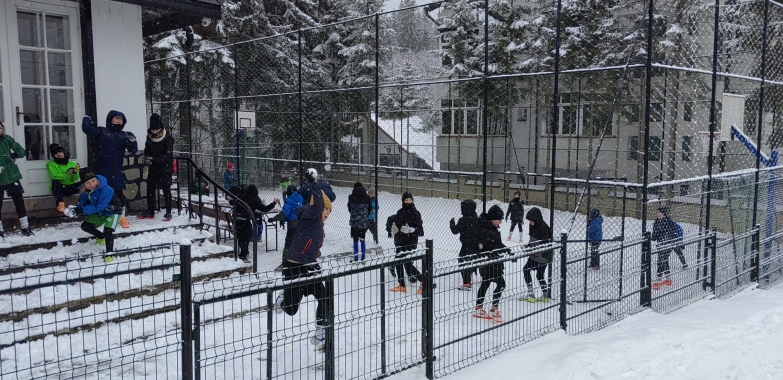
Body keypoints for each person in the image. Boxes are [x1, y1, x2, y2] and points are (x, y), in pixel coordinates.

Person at [273, 184, 332, 349]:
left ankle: (321, 331)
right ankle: (283, 298)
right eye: (325, 209)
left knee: (324, 296)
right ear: (318, 208)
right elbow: (317, 204)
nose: (327, 212)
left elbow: (311, 248)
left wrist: (315, 261)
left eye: (329, 210)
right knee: (291, 310)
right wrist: (315, 184)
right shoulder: (310, 216)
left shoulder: (318, 226)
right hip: (294, 268)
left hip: (308, 268)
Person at [82, 111, 138, 229]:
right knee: (98, 193)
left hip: (116, 171)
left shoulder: (124, 135)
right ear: (110, 119)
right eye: (117, 118)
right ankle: (97, 215)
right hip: (101, 170)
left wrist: (133, 141)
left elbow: (133, 150)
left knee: (118, 194)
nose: (119, 121)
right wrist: (86, 119)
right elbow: (87, 129)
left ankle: (121, 216)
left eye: (121, 119)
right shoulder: (101, 131)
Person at [64, 172, 123, 261]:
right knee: (85, 226)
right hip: (99, 212)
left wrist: (82, 210)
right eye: (87, 183)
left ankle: (109, 254)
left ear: (96, 179)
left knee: (108, 231)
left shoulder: (106, 189)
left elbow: (100, 206)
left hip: (112, 211)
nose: (91, 184)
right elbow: (81, 203)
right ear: (84, 185)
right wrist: (75, 210)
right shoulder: (84, 192)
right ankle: (100, 237)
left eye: (93, 181)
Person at [472, 205, 508, 323]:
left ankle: (483, 307)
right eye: (500, 219)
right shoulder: (484, 229)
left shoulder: (492, 228)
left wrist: (506, 249)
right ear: (493, 218)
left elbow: (497, 244)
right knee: (497, 284)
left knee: (489, 283)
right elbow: (482, 247)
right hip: (488, 263)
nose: (501, 222)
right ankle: (491, 308)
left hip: (495, 262)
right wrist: (490, 254)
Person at [386, 191, 424, 294]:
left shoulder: (416, 213)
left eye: (410, 200)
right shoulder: (400, 212)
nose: (408, 202)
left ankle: (424, 281)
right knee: (398, 262)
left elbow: (421, 231)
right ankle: (401, 285)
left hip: (411, 242)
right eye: (406, 200)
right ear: (403, 201)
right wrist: (393, 228)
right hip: (400, 241)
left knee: (407, 264)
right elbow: (395, 222)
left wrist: (411, 230)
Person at [0, 121, 33, 238]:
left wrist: (14, 155)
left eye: (0, 128)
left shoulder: (7, 139)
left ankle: (25, 227)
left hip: (12, 175)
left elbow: (22, 151)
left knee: (19, 201)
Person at [139, 113, 174, 221]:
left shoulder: (168, 138)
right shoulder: (149, 137)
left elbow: (167, 155)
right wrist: (147, 157)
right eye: (153, 129)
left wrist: (154, 160)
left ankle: (168, 212)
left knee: (166, 189)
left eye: (157, 129)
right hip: (153, 168)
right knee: (150, 188)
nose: (154, 132)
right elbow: (147, 149)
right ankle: (150, 210)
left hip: (165, 168)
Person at [231, 184, 279, 262]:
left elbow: (232, 202)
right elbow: (264, 209)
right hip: (244, 220)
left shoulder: (241, 197)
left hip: (236, 220)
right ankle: (243, 255)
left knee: (240, 237)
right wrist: (273, 203)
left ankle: (243, 253)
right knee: (246, 238)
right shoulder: (254, 199)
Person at [520, 207, 553, 302]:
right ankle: (531, 294)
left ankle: (545, 295)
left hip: (542, 256)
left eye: (531, 220)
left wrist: (537, 251)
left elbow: (546, 245)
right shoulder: (532, 226)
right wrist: (528, 246)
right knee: (526, 270)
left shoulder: (544, 228)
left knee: (539, 275)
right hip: (534, 254)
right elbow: (533, 240)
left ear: (536, 219)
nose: (530, 222)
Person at [269, 185, 304, 271]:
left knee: (288, 243)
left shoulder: (289, 200)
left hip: (292, 224)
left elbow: (285, 212)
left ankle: (285, 262)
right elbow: (294, 210)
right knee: (297, 242)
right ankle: (297, 260)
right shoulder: (300, 198)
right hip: (300, 222)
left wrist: (274, 218)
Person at [651, 205, 687, 289]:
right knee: (664, 260)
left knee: (661, 260)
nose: (658, 214)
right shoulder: (656, 222)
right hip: (660, 244)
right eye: (657, 212)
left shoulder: (669, 222)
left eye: (660, 212)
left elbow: (671, 234)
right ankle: (668, 278)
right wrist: (652, 236)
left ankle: (658, 280)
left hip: (669, 244)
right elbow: (654, 237)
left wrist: (667, 239)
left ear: (664, 214)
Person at [449, 199, 481, 290]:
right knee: (473, 260)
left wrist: (451, 223)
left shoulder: (463, 220)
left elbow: (455, 231)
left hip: (466, 245)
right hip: (476, 245)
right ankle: (471, 277)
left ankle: (466, 282)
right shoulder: (476, 218)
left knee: (462, 261)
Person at [47, 143, 81, 213]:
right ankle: (60, 205)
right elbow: (55, 176)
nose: (59, 154)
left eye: (60, 152)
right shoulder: (51, 165)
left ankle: (85, 204)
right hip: (61, 188)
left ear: (64, 152)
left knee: (86, 181)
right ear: (53, 156)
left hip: (71, 187)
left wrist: (75, 173)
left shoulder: (71, 164)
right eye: (56, 153)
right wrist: (68, 174)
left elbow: (75, 178)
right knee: (55, 182)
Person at [348, 182, 372, 263]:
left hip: (354, 222)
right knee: (362, 239)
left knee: (355, 239)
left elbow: (349, 209)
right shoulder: (367, 197)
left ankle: (355, 258)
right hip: (363, 223)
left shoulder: (351, 197)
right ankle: (363, 258)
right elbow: (370, 210)